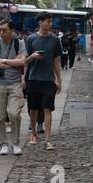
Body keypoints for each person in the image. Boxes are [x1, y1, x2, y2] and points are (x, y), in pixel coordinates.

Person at [0, 18, 30, 155]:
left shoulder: (20, 43)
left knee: (14, 114)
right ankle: (3, 144)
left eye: (4, 30)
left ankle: (15, 143)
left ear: (12, 31)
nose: (1, 32)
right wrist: (14, 62)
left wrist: (4, 60)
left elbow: (23, 62)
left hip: (15, 84)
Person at [24, 12, 63, 151]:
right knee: (33, 109)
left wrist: (59, 79)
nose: (50, 24)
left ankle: (47, 139)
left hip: (48, 80)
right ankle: (34, 133)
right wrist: (32, 58)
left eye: (51, 21)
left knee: (48, 108)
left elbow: (57, 60)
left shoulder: (55, 40)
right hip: (33, 79)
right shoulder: (30, 39)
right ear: (40, 22)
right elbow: (25, 60)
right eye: (48, 21)